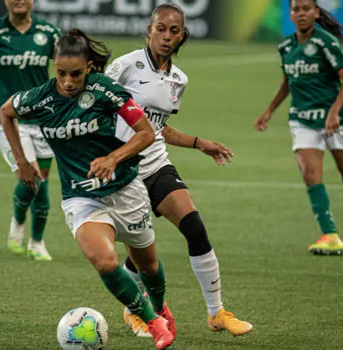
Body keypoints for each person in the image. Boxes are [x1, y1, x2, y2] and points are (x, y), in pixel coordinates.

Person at [0, 28, 177, 349]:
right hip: (81, 196)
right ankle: (153, 322)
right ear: (53, 65)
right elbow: (5, 111)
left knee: (148, 265)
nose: (68, 82)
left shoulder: (105, 90)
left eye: (76, 74)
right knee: (105, 261)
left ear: (89, 67)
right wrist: (22, 162)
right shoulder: (39, 98)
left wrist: (113, 157)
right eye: (62, 74)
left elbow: (145, 133)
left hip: (125, 188)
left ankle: (161, 307)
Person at [105, 3, 253, 337]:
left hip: (157, 163)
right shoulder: (124, 67)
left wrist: (199, 143)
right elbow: (97, 107)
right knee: (141, 255)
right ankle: (134, 311)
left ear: (182, 35)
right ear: (149, 29)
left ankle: (216, 313)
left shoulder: (179, 79)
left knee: (195, 227)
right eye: (161, 28)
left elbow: (157, 128)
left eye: (174, 30)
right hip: (124, 173)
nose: (167, 36)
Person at [254, 0, 343, 255]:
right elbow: (288, 81)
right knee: (310, 172)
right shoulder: (286, 45)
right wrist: (269, 111)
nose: (301, 14)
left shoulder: (326, 42)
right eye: (296, 9)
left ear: (316, 12)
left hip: (335, 121)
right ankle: (330, 234)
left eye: (306, 9)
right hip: (302, 119)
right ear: (290, 14)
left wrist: (334, 111)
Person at [0, 0, 61, 261]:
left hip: (43, 118)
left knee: (39, 180)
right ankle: (34, 239)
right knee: (33, 179)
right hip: (9, 120)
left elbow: (66, 70)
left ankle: (24, 231)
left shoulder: (50, 33)